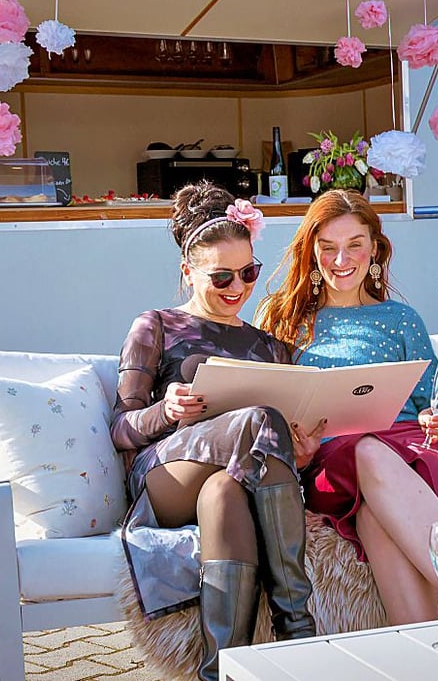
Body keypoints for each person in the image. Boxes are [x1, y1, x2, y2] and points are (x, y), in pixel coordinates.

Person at [257, 189, 438, 625]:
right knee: (364, 450)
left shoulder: (402, 319)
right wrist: (300, 450)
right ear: (311, 252)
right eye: (327, 247)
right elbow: (266, 412)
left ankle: (428, 655)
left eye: (354, 245)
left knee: (371, 513)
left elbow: (433, 405)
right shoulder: (284, 321)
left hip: (414, 459)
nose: (340, 259)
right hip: (332, 465)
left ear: (375, 250)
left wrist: (437, 420)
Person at [111, 181, 316, 681]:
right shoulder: (156, 324)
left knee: (225, 491)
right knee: (258, 419)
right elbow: (120, 428)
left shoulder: (270, 345)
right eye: (221, 275)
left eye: (248, 272)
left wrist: (301, 450)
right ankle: (298, 630)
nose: (237, 287)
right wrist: (166, 410)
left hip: (232, 478)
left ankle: (223, 670)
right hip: (166, 476)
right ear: (188, 272)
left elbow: (282, 443)